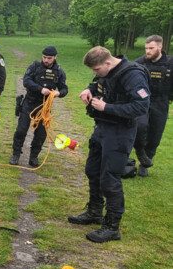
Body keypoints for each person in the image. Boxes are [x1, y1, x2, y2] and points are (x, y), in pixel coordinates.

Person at [68, 46, 150, 243]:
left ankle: (112, 226)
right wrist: (90, 89)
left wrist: (106, 107)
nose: (95, 73)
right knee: (92, 170)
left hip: (121, 132)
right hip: (103, 127)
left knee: (110, 177)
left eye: (96, 69)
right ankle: (94, 211)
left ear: (107, 62)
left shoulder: (133, 75)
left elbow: (141, 106)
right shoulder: (107, 72)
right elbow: (100, 83)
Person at [10, 46, 69, 167]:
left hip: (45, 107)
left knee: (41, 134)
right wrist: (40, 89)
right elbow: (26, 81)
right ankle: (16, 154)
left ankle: (34, 157)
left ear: (55, 57)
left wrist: (59, 93)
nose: (46, 60)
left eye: (49, 58)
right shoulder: (35, 66)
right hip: (29, 103)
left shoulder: (59, 71)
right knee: (21, 130)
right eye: (44, 57)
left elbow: (64, 88)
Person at [133, 35, 173, 177]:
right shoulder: (139, 62)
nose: (148, 51)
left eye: (151, 48)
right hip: (143, 101)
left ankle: (145, 163)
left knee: (155, 133)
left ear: (160, 47)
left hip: (161, 103)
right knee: (140, 126)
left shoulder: (170, 63)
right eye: (146, 48)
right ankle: (139, 151)